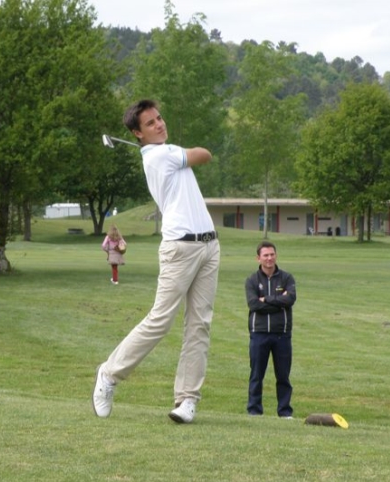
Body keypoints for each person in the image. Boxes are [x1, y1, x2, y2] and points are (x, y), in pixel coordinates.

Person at [92, 99, 220, 424]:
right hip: (180, 248)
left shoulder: (166, 151)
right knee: (160, 320)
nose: (159, 124)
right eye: (150, 123)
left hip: (208, 245)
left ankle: (187, 399)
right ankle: (109, 374)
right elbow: (204, 153)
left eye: (159, 119)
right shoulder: (161, 155)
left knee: (199, 325)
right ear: (138, 133)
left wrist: (179, 150)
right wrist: (181, 150)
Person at [245, 241, 297, 418]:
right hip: (259, 334)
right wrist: (277, 301)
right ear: (258, 258)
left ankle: (284, 411)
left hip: (282, 334)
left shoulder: (286, 278)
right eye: (265, 255)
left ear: (276, 255)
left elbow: (290, 299)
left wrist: (265, 299)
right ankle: (254, 411)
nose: (269, 258)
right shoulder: (252, 280)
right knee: (256, 375)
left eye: (272, 254)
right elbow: (253, 304)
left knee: (283, 376)